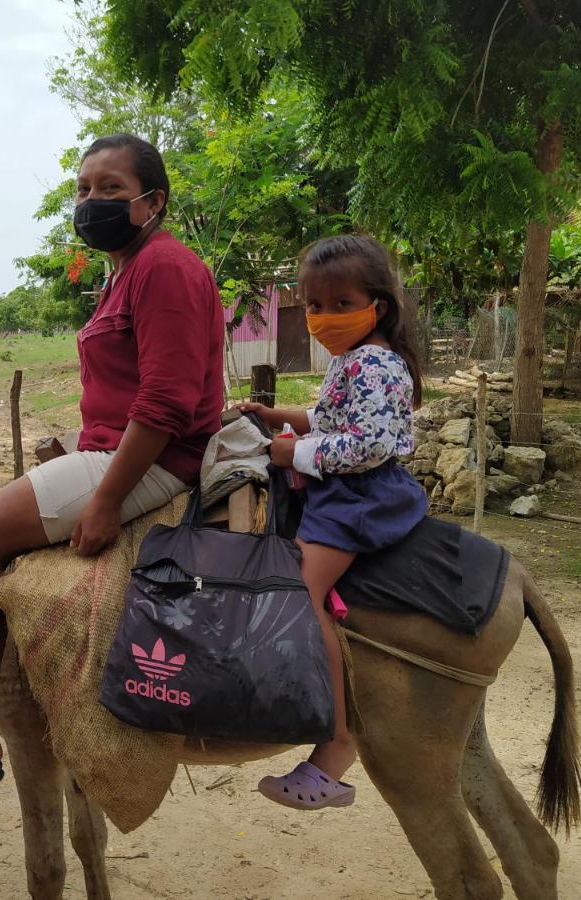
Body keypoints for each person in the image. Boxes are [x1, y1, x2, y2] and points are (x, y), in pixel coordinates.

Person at [0, 134, 225, 821]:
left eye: (110, 189)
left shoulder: (163, 267)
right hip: (116, 447)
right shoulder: (128, 269)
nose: (90, 200)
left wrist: (105, 499)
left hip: (152, 457)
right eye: (83, 188)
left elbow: (165, 401)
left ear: (151, 203)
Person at [237, 234, 427, 811]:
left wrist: (289, 453)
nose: (322, 317)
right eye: (314, 305)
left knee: (299, 591)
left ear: (378, 306)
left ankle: (337, 746)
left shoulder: (377, 363)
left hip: (358, 497)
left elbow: (365, 444)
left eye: (341, 304)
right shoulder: (354, 360)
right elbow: (328, 416)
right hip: (344, 488)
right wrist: (278, 416)